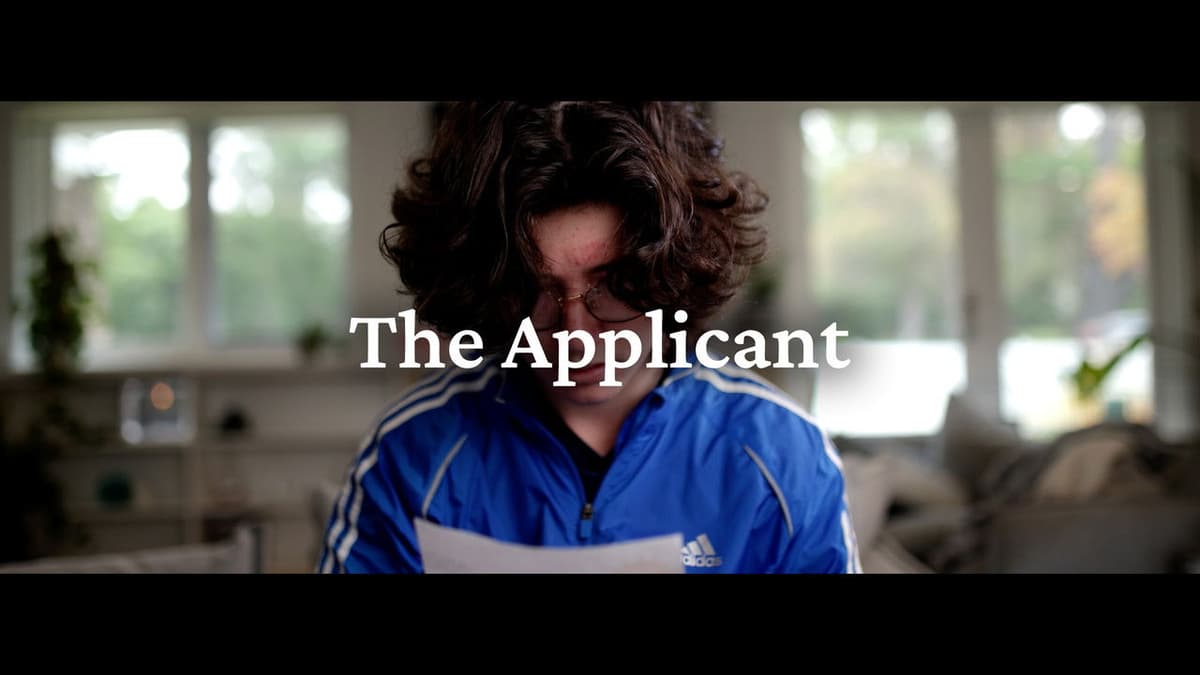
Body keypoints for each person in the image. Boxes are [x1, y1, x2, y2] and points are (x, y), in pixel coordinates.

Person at [317, 101, 861, 573]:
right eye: (538, 290)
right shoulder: (410, 454)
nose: (576, 334)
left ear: (668, 273)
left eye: (611, 286)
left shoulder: (782, 456)